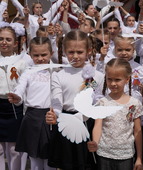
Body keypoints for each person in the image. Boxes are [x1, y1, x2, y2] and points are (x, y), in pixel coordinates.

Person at [45, 30, 104, 169]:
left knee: (86, 164)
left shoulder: (97, 76)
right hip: (65, 123)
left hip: (87, 123)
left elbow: (96, 101)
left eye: (79, 52)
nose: (75, 56)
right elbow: (57, 101)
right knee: (66, 164)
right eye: (71, 52)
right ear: (64, 51)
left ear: (88, 51)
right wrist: (55, 115)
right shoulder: (59, 75)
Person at [87, 58, 143, 170]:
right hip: (104, 154)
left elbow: (137, 131)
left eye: (117, 80)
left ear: (127, 79)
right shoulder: (102, 103)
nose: (113, 83)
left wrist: (139, 158)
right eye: (109, 79)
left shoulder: (134, 103)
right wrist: (95, 142)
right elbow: (98, 126)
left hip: (126, 155)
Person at [8, 37, 54, 170]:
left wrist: (92, 85)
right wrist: (17, 97)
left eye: (44, 54)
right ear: (30, 55)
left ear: (51, 53)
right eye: (36, 55)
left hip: (51, 117)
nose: (40, 58)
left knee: (50, 160)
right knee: (34, 161)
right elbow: (20, 87)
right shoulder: (28, 72)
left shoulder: (57, 70)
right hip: (32, 118)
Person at [0, 26, 27, 170]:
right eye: (1, 39)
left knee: (13, 150)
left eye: (8, 39)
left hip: (13, 107)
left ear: (15, 43)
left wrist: (19, 99)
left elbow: (25, 86)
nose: (4, 42)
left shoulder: (21, 62)